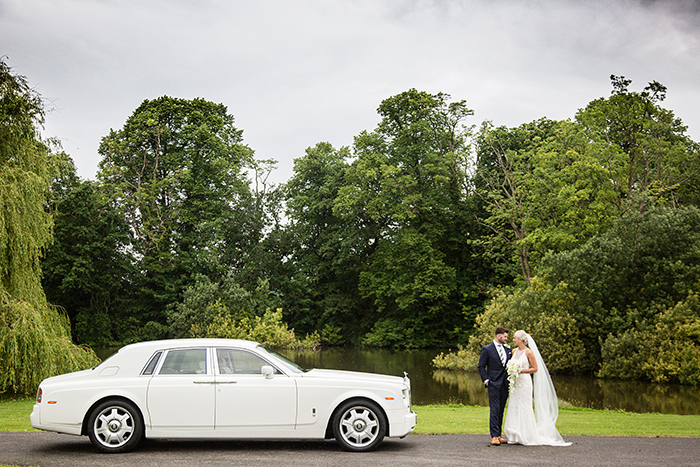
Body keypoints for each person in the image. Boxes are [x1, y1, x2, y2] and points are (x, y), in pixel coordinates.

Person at [503, 330, 571, 446]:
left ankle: (526, 435)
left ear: (520, 340)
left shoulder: (528, 352)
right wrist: (512, 370)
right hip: (516, 383)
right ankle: (514, 435)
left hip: (524, 383)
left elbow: (535, 368)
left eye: (515, 338)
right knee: (514, 406)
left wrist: (521, 370)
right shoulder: (514, 351)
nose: (513, 340)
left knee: (524, 407)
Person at [478, 327, 511, 446]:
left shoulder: (508, 349)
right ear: (498, 336)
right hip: (493, 383)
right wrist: (486, 380)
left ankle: (498, 435)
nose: (506, 338)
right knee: (494, 409)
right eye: (505, 336)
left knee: (501, 409)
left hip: (504, 384)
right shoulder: (487, 349)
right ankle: (493, 436)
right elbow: (481, 366)